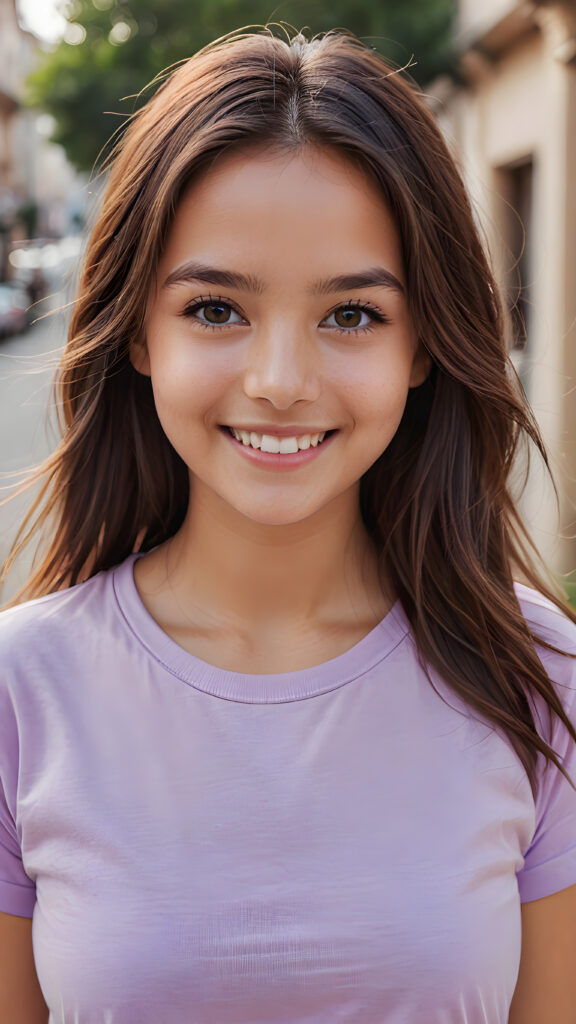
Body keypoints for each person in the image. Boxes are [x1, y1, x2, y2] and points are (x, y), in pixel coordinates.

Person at [0, 25, 575, 1024]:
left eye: (350, 315)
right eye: (217, 309)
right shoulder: (22, 695)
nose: (279, 382)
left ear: (424, 346)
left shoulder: (537, 679)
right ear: (138, 330)